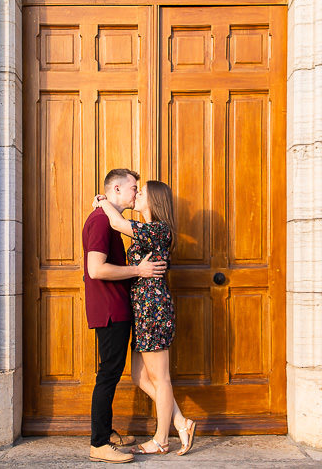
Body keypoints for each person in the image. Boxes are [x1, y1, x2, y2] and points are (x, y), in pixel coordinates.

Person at [93, 180, 196, 457]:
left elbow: (117, 223)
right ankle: (180, 421)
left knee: (161, 379)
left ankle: (161, 440)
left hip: (153, 310)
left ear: (155, 201)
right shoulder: (145, 231)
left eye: (142, 192)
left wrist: (102, 201)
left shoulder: (158, 229)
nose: (137, 194)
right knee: (139, 376)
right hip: (141, 310)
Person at [83, 168, 168, 465]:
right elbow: (96, 269)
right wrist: (138, 270)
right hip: (110, 310)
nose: (136, 193)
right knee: (108, 374)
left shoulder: (111, 221)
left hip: (118, 308)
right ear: (117, 189)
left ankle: (106, 433)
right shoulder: (100, 221)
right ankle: (99, 443)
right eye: (134, 188)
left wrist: (102, 201)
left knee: (114, 372)